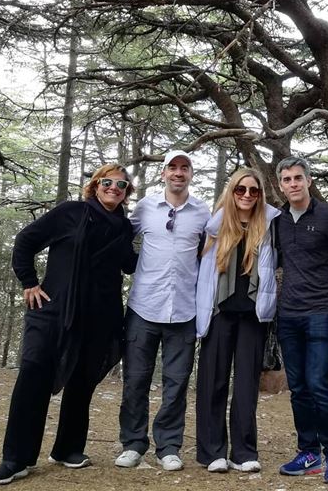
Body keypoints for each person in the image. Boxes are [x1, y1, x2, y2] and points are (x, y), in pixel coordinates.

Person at [0, 164, 137, 486]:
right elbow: (26, 240)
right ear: (95, 185)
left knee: (82, 382)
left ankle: (68, 449)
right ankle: (16, 458)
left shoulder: (124, 228)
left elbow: (129, 265)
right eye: (107, 182)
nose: (114, 188)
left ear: (127, 193)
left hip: (99, 317)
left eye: (121, 185)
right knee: (34, 375)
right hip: (53, 311)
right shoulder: (70, 212)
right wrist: (29, 282)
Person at [115, 150, 210, 472]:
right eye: (172, 167)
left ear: (191, 174)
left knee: (176, 383)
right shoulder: (144, 208)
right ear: (163, 173)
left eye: (185, 168)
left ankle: (168, 446)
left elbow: (210, 254)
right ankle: (133, 443)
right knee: (135, 380)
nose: (178, 173)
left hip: (184, 311)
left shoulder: (202, 212)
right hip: (144, 306)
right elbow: (118, 237)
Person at [275, 156, 328, 485]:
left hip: (323, 313)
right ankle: (308, 452)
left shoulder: (327, 216)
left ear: (308, 181)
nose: (292, 184)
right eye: (286, 179)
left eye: (298, 178)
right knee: (297, 389)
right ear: (280, 184)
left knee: (319, 385)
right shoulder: (277, 219)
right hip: (288, 315)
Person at [195, 168, 280, 473]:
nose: (247, 195)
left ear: (260, 195)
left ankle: (243, 452)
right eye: (240, 190)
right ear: (231, 192)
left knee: (245, 387)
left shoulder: (271, 225)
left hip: (254, 316)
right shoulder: (213, 226)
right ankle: (211, 452)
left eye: (253, 191)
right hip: (218, 313)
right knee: (213, 383)